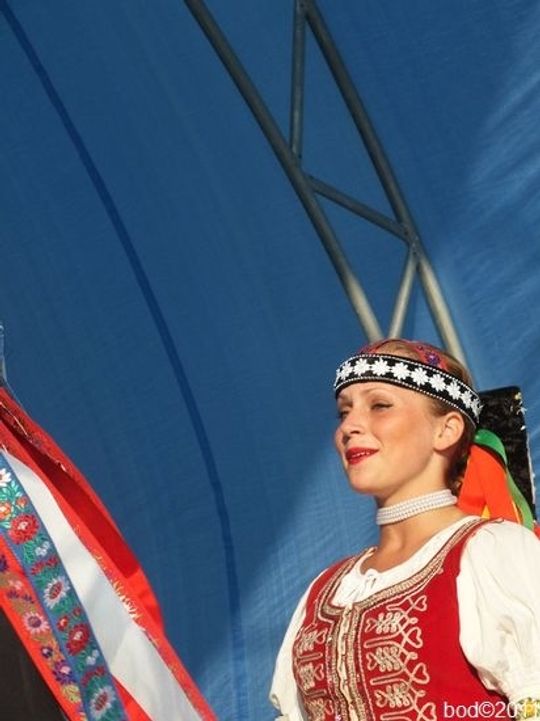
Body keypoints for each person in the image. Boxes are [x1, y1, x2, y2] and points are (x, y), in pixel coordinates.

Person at [270, 338, 540, 721]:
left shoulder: (495, 551)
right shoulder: (323, 590)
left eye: (379, 405)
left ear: (446, 430)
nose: (349, 426)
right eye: (343, 411)